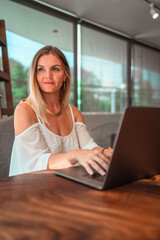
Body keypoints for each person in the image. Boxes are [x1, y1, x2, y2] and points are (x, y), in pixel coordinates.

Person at [9, 45, 113, 177]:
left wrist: (105, 152)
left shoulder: (74, 112)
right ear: (34, 75)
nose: (48, 75)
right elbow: (37, 160)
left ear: (65, 75)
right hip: (31, 187)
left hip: (66, 185)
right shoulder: (25, 110)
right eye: (41, 69)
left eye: (55, 69)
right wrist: (75, 154)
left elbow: (89, 146)